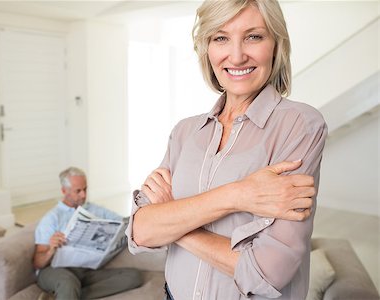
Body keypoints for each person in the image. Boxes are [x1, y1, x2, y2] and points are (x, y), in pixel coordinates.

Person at [126, 0, 327, 299]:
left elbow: (268, 272)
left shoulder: (300, 124)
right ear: (207, 48)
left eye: (253, 36)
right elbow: (139, 234)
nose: (236, 54)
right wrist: (238, 194)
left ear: (276, 45)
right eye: (221, 37)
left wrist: (173, 221)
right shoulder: (185, 132)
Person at [33, 167, 143, 300]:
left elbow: (124, 223)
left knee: (133, 277)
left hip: (85, 270)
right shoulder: (51, 218)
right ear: (64, 191)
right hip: (55, 270)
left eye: (85, 189)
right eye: (78, 191)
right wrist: (50, 250)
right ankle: (67, 292)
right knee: (68, 282)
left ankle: (60, 296)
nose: (83, 195)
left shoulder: (95, 210)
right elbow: (38, 263)